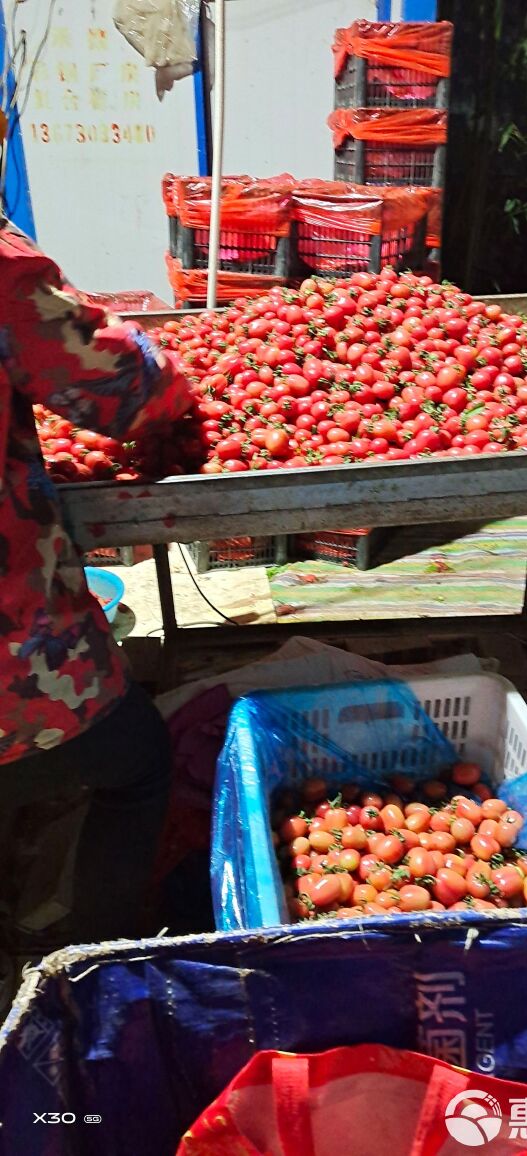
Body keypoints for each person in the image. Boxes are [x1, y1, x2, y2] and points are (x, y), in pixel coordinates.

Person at [0, 217, 190, 952]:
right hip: (15, 673)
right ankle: (93, 967)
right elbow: (126, 389)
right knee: (136, 766)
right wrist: (175, 382)